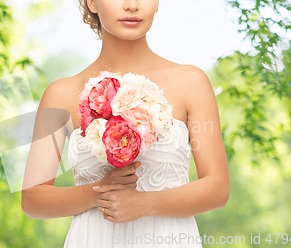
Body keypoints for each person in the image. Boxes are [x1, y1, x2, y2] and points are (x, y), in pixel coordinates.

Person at [21, 0, 230, 247]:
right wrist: (99, 192)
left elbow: (217, 188)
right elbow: (32, 200)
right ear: (92, 3)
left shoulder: (192, 82)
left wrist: (146, 203)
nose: (132, 5)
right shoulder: (60, 93)